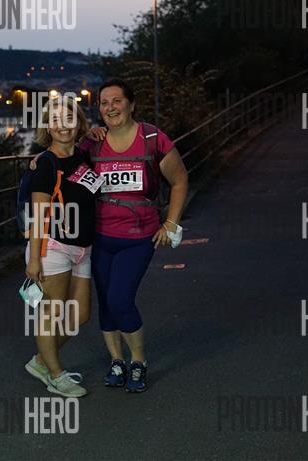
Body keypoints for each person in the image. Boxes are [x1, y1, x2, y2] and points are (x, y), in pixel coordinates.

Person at [85, 78, 188, 392]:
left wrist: (170, 223)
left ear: (131, 104)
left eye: (117, 101)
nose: (111, 108)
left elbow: (180, 180)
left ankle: (139, 361)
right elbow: (61, 160)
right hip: (99, 237)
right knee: (106, 302)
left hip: (138, 237)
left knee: (120, 299)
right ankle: (117, 361)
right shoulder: (92, 143)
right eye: (104, 103)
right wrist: (39, 161)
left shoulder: (153, 138)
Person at [24, 95, 102, 398]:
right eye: (55, 120)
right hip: (53, 247)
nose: (62, 125)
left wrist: (93, 134)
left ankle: (41, 361)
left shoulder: (84, 155)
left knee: (80, 315)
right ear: (48, 127)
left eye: (69, 119)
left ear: (78, 123)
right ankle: (56, 375)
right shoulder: (45, 164)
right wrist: (34, 259)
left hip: (83, 248)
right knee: (52, 313)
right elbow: (38, 215)